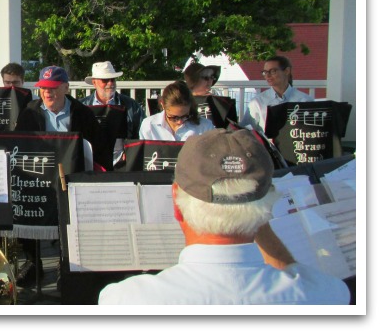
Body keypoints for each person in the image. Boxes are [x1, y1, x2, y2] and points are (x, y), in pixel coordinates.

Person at [98, 128, 350, 305]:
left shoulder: (126, 300)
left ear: (176, 203)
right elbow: (304, 280)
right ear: (266, 210)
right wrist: (256, 218)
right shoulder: (328, 295)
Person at [14, 65, 112, 287]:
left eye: (54, 88)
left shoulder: (82, 113)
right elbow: (19, 143)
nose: (48, 93)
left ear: (66, 88)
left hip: (73, 178)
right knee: (22, 200)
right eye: (43, 88)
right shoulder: (30, 112)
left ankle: (65, 262)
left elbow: (99, 150)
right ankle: (33, 262)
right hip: (37, 178)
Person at [78, 61, 145, 164]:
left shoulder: (132, 106)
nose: (110, 83)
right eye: (105, 80)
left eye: (112, 79)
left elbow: (142, 134)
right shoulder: (81, 106)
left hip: (122, 163)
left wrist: (131, 152)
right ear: (94, 82)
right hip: (90, 163)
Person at [239, 55, 313, 133]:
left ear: (287, 71)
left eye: (273, 71)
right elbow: (245, 131)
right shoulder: (257, 102)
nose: (267, 75)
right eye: (265, 72)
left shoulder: (305, 100)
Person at [139, 81, 216, 141]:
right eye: (173, 117)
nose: (180, 122)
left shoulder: (205, 126)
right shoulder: (149, 125)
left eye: (185, 116)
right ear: (162, 104)